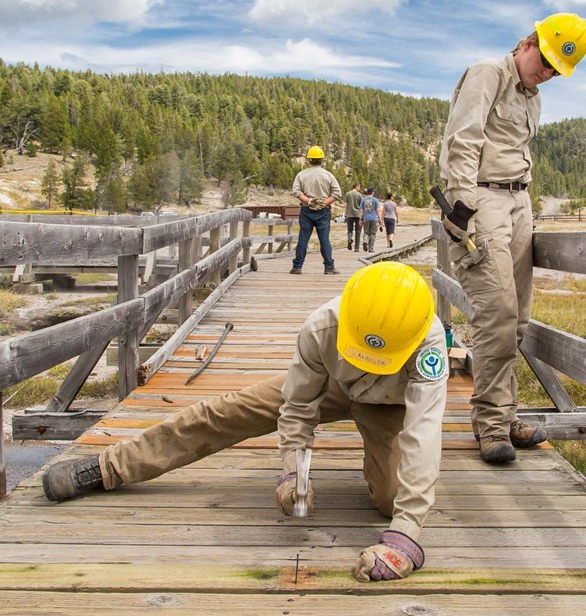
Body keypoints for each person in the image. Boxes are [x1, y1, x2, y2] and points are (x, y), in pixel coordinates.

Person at [43, 262, 449, 582]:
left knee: (390, 502)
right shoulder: (321, 327)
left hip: (389, 407)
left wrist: (406, 533)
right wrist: (295, 472)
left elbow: (423, 434)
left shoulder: (429, 346)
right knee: (225, 411)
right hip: (332, 386)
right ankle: (108, 467)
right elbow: (297, 407)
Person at [438, 13, 586, 463]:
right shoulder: (489, 73)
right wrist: (461, 208)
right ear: (528, 42)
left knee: (518, 317)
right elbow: (462, 141)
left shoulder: (532, 96)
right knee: (497, 312)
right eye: (544, 60)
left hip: (518, 202)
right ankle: (490, 425)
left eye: (555, 71)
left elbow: (516, 153)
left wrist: (525, 204)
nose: (545, 72)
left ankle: (505, 413)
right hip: (483, 200)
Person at [290, 145, 342, 275]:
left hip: (306, 210)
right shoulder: (328, 175)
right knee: (324, 239)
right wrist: (324, 203)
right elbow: (337, 193)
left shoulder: (302, 175)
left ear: (309, 159)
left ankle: (297, 267)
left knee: (303, 238)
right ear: (321, 160)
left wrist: (308, 201)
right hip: (323, 211)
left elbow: (296, 191)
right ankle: (329, 267)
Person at [360, 187, 380, 253]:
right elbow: (377, 210)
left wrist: (360, 219)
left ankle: (365, 241)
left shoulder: (363, 200)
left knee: (366, 232)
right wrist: (379, 219)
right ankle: (371, 248)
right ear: (372, 192)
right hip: (374, 218)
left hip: (366, 219)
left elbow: (361, 210)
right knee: (373, 234)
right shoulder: (375, 200)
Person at [344, 182, 363, 251]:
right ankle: (356, 247)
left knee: (350, 230)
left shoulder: (348, 194)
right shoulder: (360, 195)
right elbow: (361, 207)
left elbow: (346, 205)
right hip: (358, 215)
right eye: (359, 187)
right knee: (358, 231)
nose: (359, 188)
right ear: (357, 186)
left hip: (349, 214)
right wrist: (362, 217)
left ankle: (349, 239)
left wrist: (345, 215)